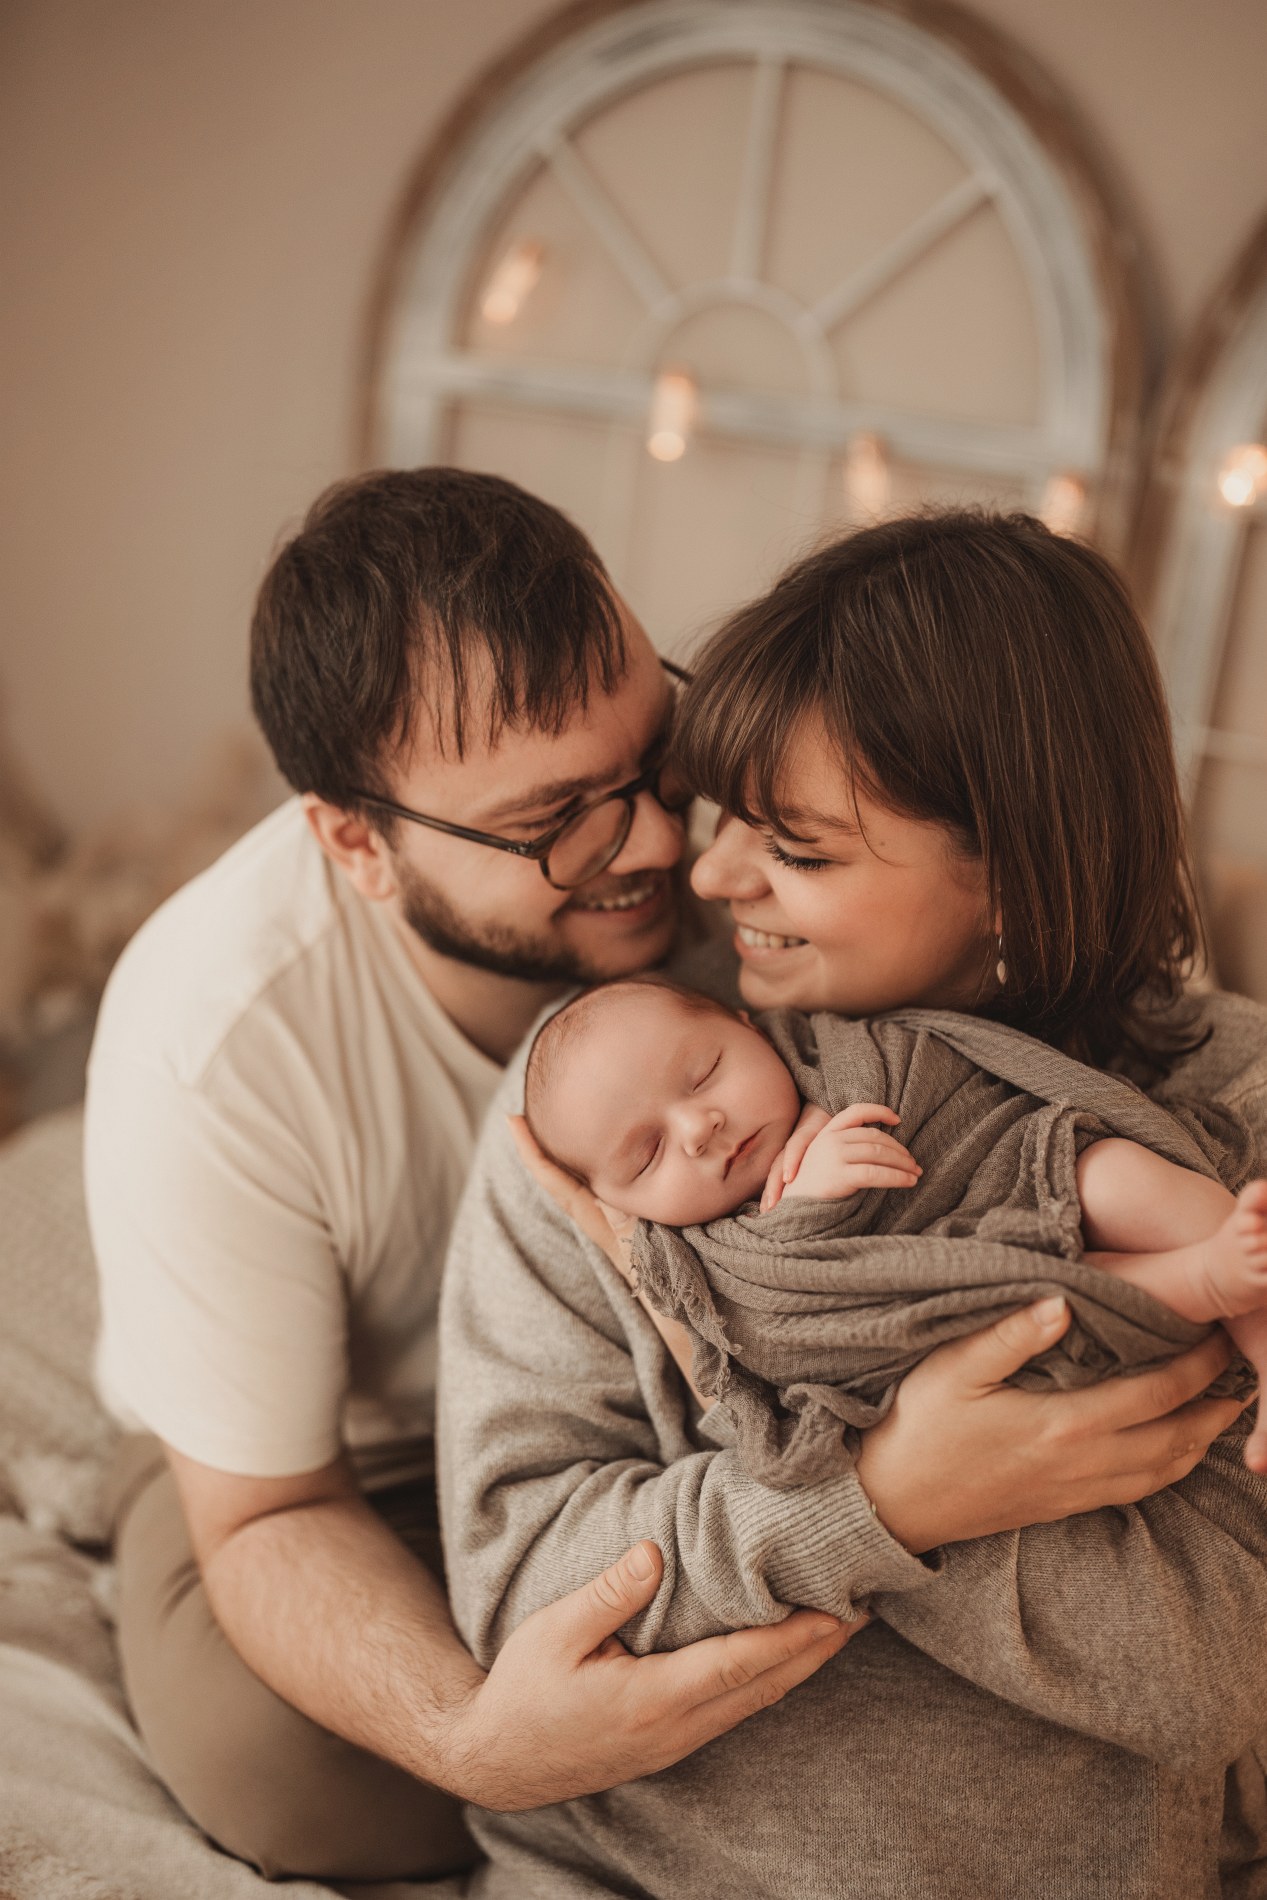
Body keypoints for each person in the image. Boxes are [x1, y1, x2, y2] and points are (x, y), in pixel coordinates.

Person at [438, 508, 1267, 1898]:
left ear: (1011, 868)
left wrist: (915, 1492)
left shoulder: (1227, 1111)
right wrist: (875, 1497)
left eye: (797, 850)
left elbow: (1221, 1684)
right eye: (722, 816)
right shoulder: (625, 1098)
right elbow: (526, 1593)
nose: (706, 877)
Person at [83, 468, 873, 1882]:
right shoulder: (215, 1040)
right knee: (289, 1773)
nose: (652, 842)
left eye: (653, 751)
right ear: (354, 841)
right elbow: (266, 1507)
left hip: (721, 1382)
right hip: (356, 1457)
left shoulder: (729, 847)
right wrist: (473, 1737)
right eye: (555, 819)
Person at [522, 972, 1267, 1471]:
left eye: (704, 1073)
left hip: (1013, 1169)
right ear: (624, 1207)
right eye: (648, 1154)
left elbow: (945, 1091)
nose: (698, 1126)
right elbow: (775, 1343)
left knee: (1115, 1174)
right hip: (958, 1301)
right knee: (1047, 1296)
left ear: (751, 1028)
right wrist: (804, 1213)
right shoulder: (710, 1263)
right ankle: (1203, 1279)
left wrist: (831, 1101)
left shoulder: (838, 1050)